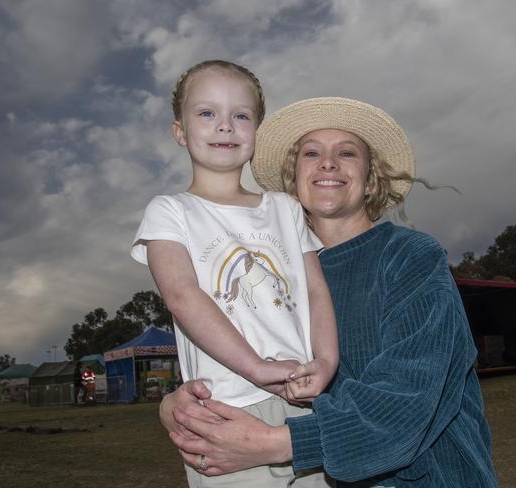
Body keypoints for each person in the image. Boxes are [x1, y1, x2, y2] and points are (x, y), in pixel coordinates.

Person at [161, 97, 497, 487]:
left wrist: (275, 443)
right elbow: (245, 359)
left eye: (348, 153)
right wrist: (179, 404)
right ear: (293, 178)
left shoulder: (410, 257)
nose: (328, 163)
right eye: (312, 153)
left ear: (371, 179)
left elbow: (409, 397)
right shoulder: (276, 276)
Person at [131, 62, 338, 487]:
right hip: (227, 409)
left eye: (240, 115)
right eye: (207, 113)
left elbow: (316, 291)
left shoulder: (285, 208)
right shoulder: (170, 211)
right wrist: (257, 369)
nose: (225, 126)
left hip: (305, 403)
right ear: (179, 132)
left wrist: (326, 362)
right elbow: (183, 297)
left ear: (255, 133)